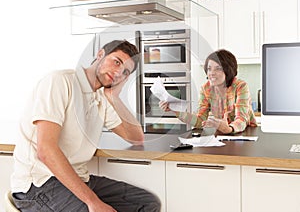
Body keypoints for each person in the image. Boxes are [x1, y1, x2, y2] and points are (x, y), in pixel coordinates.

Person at [11, 40, 161, 212]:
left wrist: (114, 97)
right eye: (116, 62)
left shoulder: (101, 99)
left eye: (125, 72)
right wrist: (93, 202)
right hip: (39, 184)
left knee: (147, 203)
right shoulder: (60, 82)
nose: (119, 72)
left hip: (78, 179)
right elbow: (46, 150)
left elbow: (136, 138)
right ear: (100, 55)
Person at [159, 49, 257, 134]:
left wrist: (229, 129)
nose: (212, 73)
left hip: (245, 134)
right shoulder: (206, 89)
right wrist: (175, 111)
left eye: (218, 68)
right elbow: (200, 120)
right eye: (209, 69)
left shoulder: (241, 86)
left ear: (228, 70)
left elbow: (242, 119)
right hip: (221, 134)